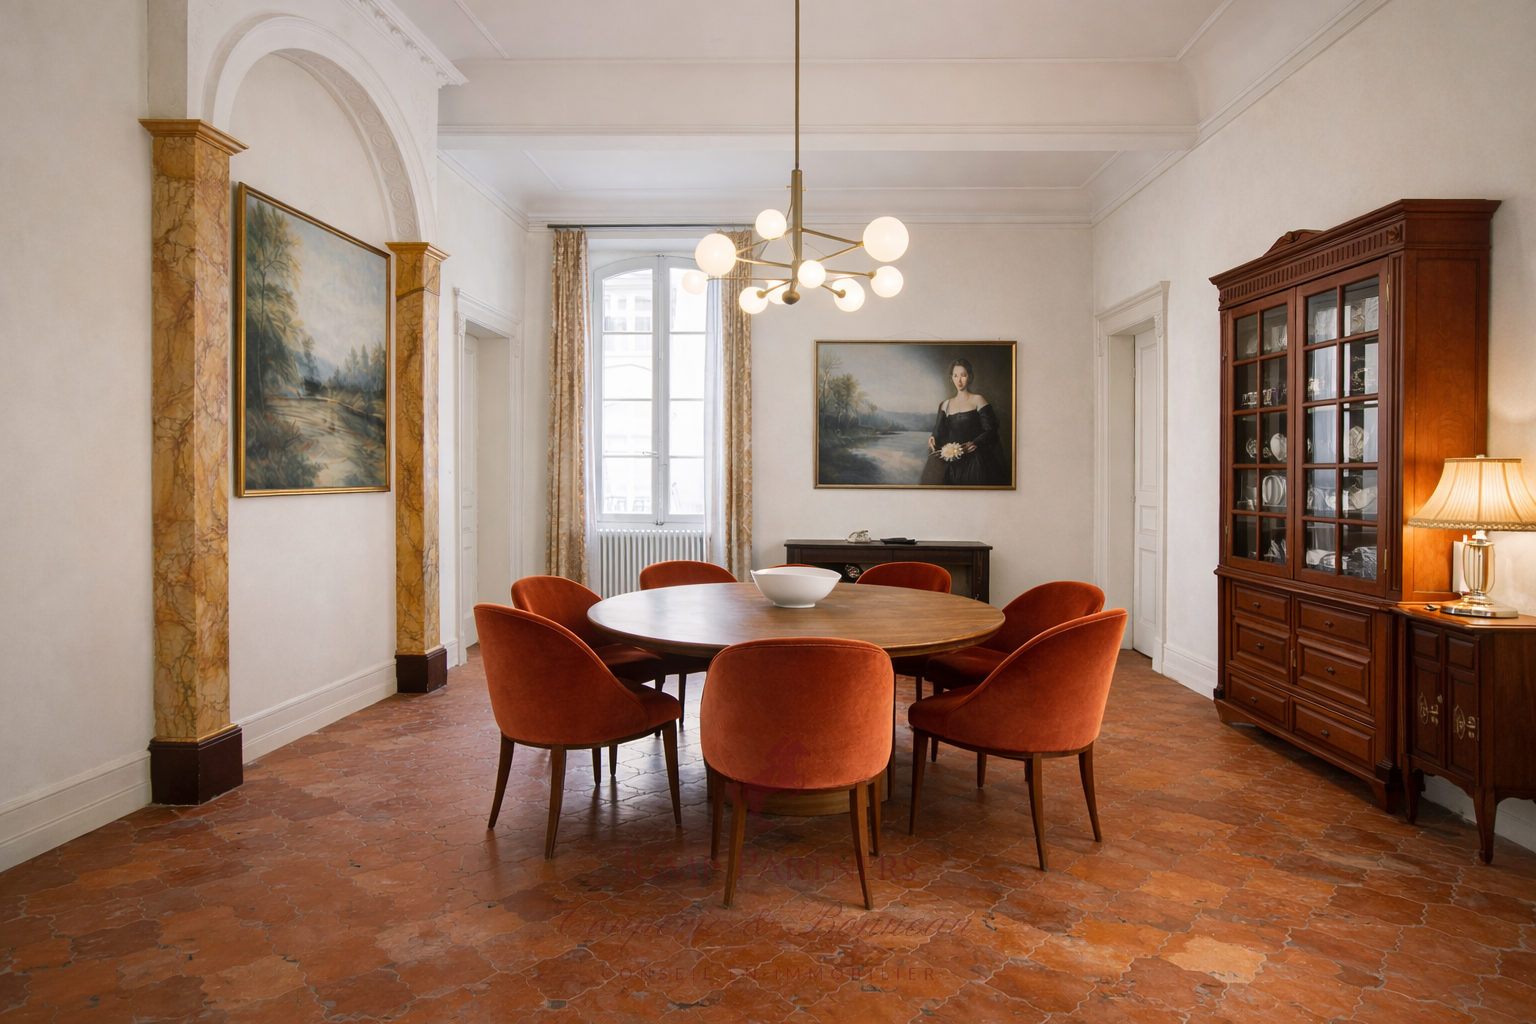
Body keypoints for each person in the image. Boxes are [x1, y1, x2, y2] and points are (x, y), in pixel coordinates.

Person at [927, 358, 1007, 486]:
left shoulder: (978, 400)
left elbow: (991, 428)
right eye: (955, 375)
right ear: (951, 378)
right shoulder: (945, 405)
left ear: (969, 376)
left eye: (963, 375)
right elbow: (939, 431)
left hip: (976, 460)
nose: (959, 380)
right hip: (955, 462)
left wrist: (975, 443)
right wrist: (933, 437)